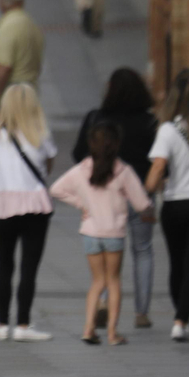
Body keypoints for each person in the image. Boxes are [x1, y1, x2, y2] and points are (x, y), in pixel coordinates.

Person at [51, 121, 153, 346]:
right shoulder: (123, 171)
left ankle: (88, 329)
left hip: (90, 232)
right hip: (114, 234)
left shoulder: (81, 169)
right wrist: (149, 212)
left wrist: (81, 203)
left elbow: (56, 189)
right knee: (113, 281)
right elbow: (142, 203)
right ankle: (112, 333)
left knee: (96, 282)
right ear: (116, 144)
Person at [72, 69, 158, 329]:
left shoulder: (96, 119)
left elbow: (78, 154)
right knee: (143, 250)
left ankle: (106, 301)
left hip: (105, 195)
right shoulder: (149, 122)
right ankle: (141, 312)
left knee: (109, 249)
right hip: (141, 192)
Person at [0, 83, 55, 342]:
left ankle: (1, 323)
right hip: (35, 204)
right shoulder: (42, 133)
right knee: (29, 267)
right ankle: (23, 324)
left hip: (2, 204)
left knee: (4, 265)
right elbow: (48, 166)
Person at [145, 69, 189, 341]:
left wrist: (145, 194)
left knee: (177, 264)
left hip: (174, 205)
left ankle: (181, 316)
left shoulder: (167, 130)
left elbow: (158, 168)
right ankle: (182, 318)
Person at [0, 0, 45, 125]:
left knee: (1, 140)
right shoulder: (31, 24)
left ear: (4, 3)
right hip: (28, 93)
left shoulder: (10, 27)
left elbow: (4, 67)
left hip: (10, 97)